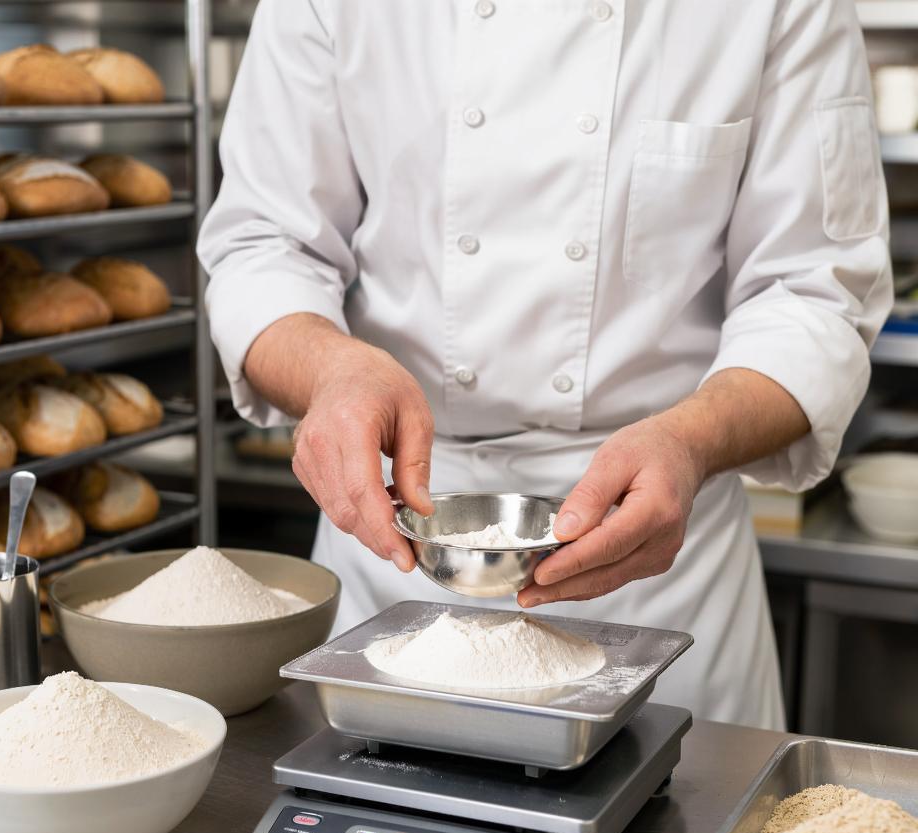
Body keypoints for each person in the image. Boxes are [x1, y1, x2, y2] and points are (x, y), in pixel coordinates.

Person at [198, 0, 892, 729]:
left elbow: (814, 294)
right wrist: (332, 373)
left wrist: (692, 442)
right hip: (397, 543)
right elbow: (263, 246)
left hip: (662, 562)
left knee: (679, 800)